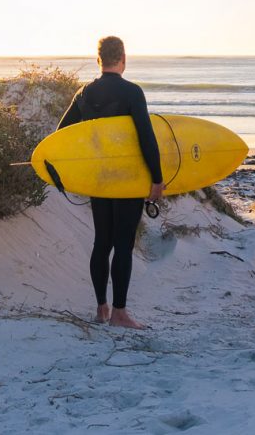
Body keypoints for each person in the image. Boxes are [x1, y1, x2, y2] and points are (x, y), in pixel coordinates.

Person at [56, 36, 164, 329]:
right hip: (126, 180)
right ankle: (120, 313)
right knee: (123, 245)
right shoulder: (132, 92)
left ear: (99, 60)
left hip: (99, 181)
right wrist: (156, 178)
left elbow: (62, 133)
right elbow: (146, 137)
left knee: (101, 242)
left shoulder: (84, 93)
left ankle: (101, 308)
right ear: (123, 59)